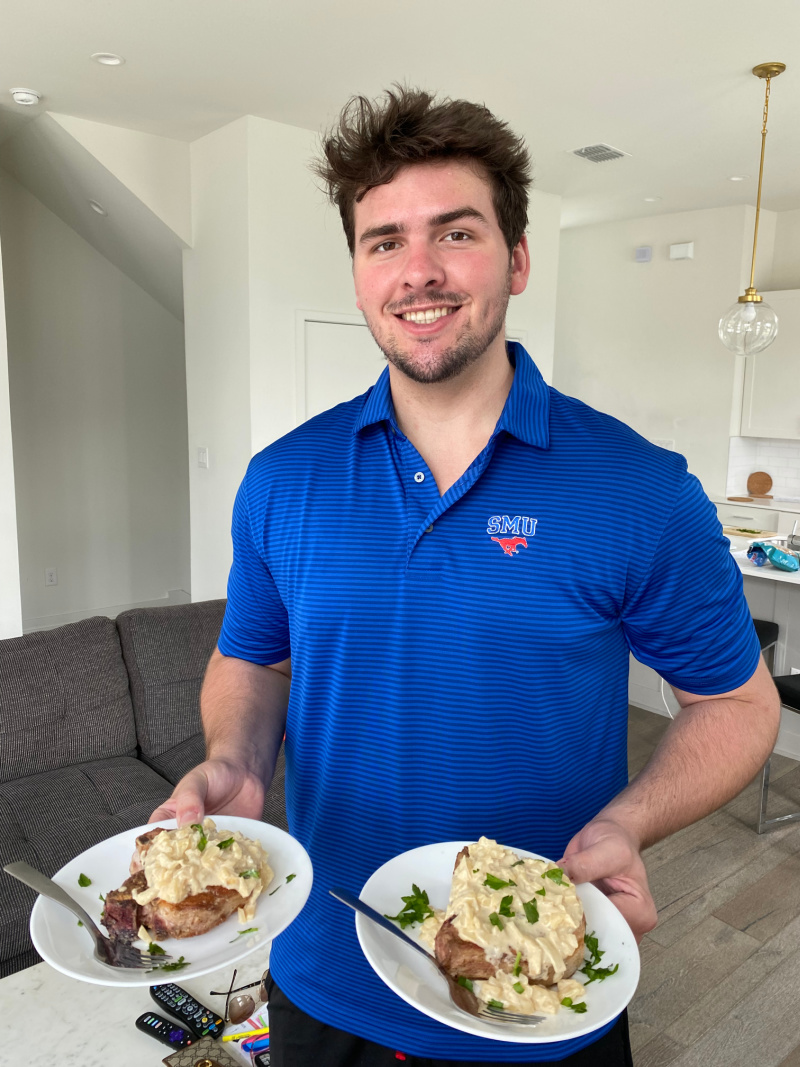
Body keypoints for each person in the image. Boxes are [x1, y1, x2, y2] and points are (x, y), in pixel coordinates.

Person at [150, 87, 780, 1066]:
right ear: (357, 275)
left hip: (536, 991)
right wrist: (235, 757)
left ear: (516, 258)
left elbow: (735, 703)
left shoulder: (636, 488)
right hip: (325, 972)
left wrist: (626, 822)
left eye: (454, 231)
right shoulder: (281, 478)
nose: (418, 271)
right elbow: (254, 659)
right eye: (382, 241)